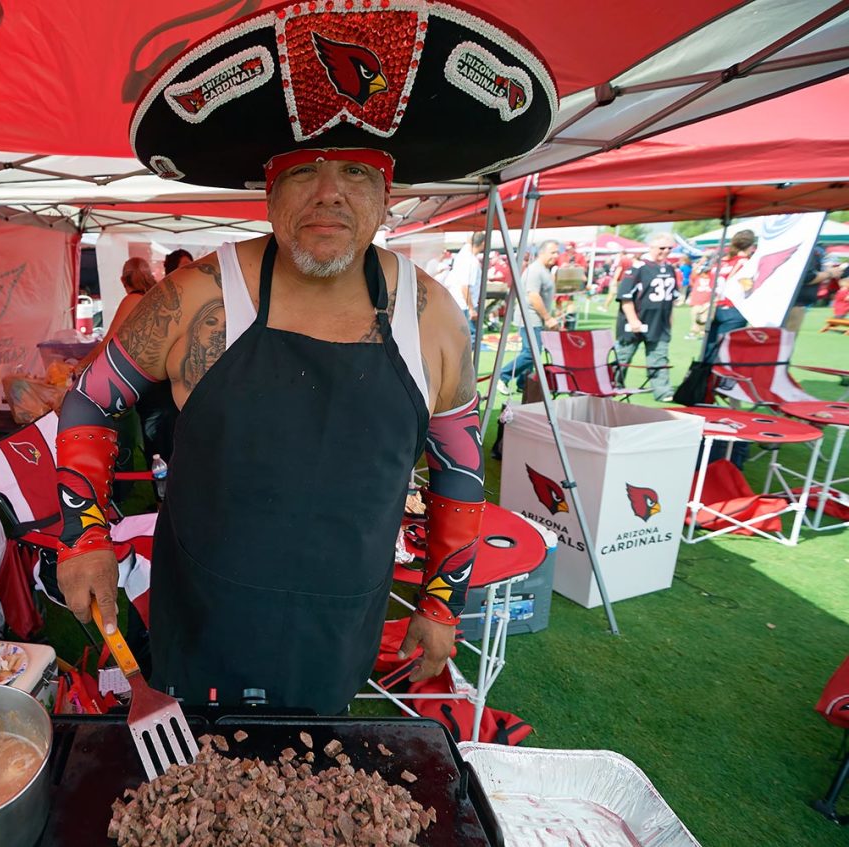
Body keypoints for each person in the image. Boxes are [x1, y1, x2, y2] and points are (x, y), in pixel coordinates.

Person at [48, 0, 556, 715]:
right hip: (198, 614)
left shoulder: (432, 316)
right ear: (268, 192)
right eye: (303, 172)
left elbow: (463, 467)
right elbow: (88, 399)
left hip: (338, 624)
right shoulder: (196, 297)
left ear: (386, 196)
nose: (328, 195)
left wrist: (441, 604)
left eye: (354, 172)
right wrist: (84, 535)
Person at [613, 234, 679, 401]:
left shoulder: (670, 269)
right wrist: (633, 319)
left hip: (659, 323)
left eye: (669, 248)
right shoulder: (638, 268)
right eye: (661, 248)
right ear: (651, 247)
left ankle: (663, 391)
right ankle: (612, 386)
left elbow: (671, 298)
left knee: (659, 357)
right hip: (635, 322)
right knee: (623, 357)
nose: (665, 252)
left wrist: (670, 320)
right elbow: (625, 297)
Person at [497, 240, 560, 395]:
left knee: (532, 352)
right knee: (531, 353)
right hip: (530, 318)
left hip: (535, 318)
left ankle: (523, 383)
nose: (556, 256)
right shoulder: (535, 270)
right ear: (542, 252)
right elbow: (533, 296)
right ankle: (502, 376)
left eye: (557, 252)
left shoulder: (544, 270)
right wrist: (547, 318)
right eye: (553, 252)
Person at [703, 229, 757, 363]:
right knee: (726, 352)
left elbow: (711, 283)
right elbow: (748, 287)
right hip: (734, 309)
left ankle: (704, 380)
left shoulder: (721, 262)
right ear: (751, 246)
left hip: (716, 308)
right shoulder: (746, 263)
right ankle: (720, 382)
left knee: (709, 349)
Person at [449, 233, 486, 341]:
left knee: (461, 340)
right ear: (483, 243)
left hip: (459, 303)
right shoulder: (471, 261)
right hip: (465, 305)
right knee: (470, 339)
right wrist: (471, 308)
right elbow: (465, 287)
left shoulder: (463, 255)